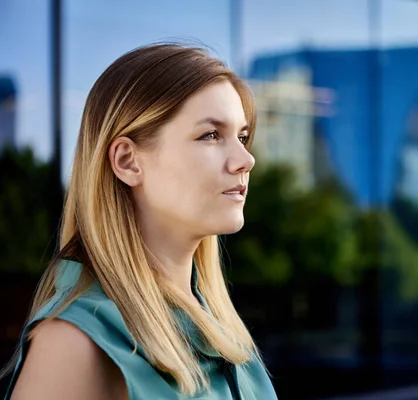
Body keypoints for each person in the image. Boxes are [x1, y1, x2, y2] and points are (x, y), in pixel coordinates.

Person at [2, 43, 278, 400]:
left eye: (241, 137)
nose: (246, 160)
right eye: (210, 135)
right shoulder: (74, 344)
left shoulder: (215, 325)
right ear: (128, 162)